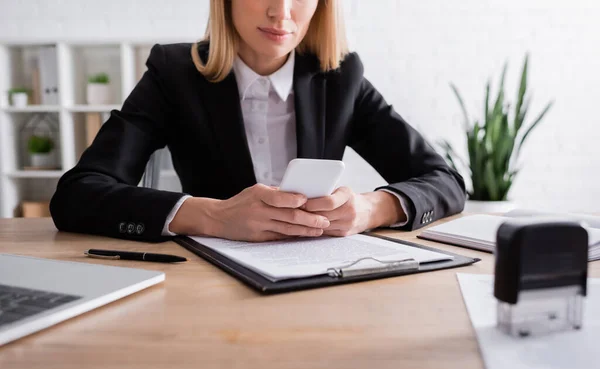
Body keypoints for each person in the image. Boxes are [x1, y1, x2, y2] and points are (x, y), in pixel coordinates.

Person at [50, 0, 466, 243]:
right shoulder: (173, 73)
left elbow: (444, 180)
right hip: (206, 289)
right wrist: (212, 216)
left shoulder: (340, 77)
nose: (280, 12)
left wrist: (371, 209)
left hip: (317, 285)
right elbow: (77, 195)